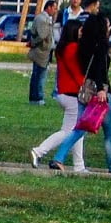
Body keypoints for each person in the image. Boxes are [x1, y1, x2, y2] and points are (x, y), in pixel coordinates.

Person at [50, 0, 111, 173]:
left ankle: (59, 157)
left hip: (84, 91)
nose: (110, 28)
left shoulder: (83, 46)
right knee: (110, 132)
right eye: (108, 26)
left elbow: (91, 71)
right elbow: (100, 71)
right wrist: (105, 90)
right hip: (99, 93)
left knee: (80, 128)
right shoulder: (102, 46)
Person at [30, 20, 87, 173]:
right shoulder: (72, 48)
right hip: (71, 94)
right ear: (74, 31)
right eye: (80, 30)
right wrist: (88, 87)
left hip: (64, 92)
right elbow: (76, 73)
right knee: (69, 132)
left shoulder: (63, 48)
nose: (82, 33)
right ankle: (39, 150)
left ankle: (79, 165)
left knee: (77, 131)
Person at [28, 0, 55, 104]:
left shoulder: (46, 18)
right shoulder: (42, 19)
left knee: (39, 74)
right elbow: (42, 35)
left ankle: (36, 97)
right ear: (49, 7)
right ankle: (37, 97)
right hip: (41, 51)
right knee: (39, 75)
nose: (55, 10)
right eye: (54, 8)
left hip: (44, 50)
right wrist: (34, 42)